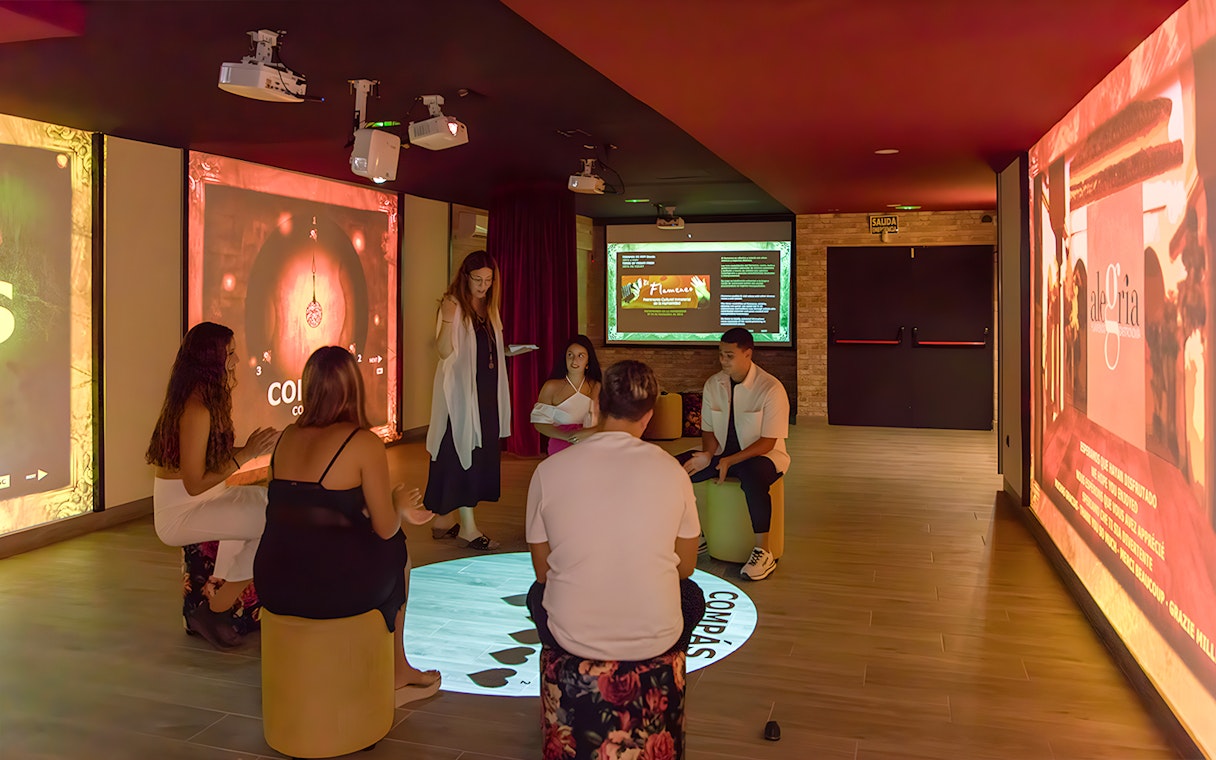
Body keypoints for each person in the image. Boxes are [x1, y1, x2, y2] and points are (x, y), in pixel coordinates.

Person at [253, 346, 441, 705]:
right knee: (397, 548)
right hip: (330, 590)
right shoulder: (362, 443)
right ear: (354, 387)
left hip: (274, 584)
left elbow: (302, 512)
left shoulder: (287, 438)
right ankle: (398, 670)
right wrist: (398, 505)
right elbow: (385, 529)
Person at [525, 359, 705, 661]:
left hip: (571, 635)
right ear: (648, 417)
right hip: (657, 636)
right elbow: (685, 568)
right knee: (691, 597)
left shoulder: (548, 470)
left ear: (595, 405)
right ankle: (660, 680)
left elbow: (543, 573)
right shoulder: (672, 471)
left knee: (536, 595)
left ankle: (568, 684)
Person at [146, 321, 279, 649]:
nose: (235, 362)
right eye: (230, 355)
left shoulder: (206, 399)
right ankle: (215, 609)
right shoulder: (196, 409)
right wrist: (247, 454)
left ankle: (222, 608)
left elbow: (208, 458)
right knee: (273, 521)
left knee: (274, 502)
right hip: (183, 512)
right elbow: (194, 484)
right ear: (211, 361)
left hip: (206, 499)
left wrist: (256, 448)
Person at [425, 250, 533, 550]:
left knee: (461, 456)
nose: (483, 286)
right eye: (478, 280)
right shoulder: (453, 306)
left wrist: (508, 351)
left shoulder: (489, 308)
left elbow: (486, 349)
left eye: (488, 280)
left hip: (485, 396)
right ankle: (468, 528)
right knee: (460, 455)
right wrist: (446, 321)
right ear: (465, 277)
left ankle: (443, 520)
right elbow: (444, 352)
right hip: (459, 398)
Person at [680, 327, 790, 581]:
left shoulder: (771, 388)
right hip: (721, 456)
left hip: (762, 457)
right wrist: (708, 454)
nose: (723, 361)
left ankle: (764, 551)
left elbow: (768, 441)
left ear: (748, 354)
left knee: (753, 476)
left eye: (729, 355)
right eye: (720, 355)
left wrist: (731, 460)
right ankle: (696, 535)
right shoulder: (713, 384)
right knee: (677, 469)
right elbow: (708, 430)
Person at [530, 334, 602, 455]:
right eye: (570, 355)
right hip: (560, 445)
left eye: (580, 356)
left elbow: (607, 420)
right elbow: (539, 422)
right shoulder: (551, 387)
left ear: (588, 360)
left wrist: (588, 433)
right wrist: (567, 436)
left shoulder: (597, 387)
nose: (574, 360)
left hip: (591, 445)